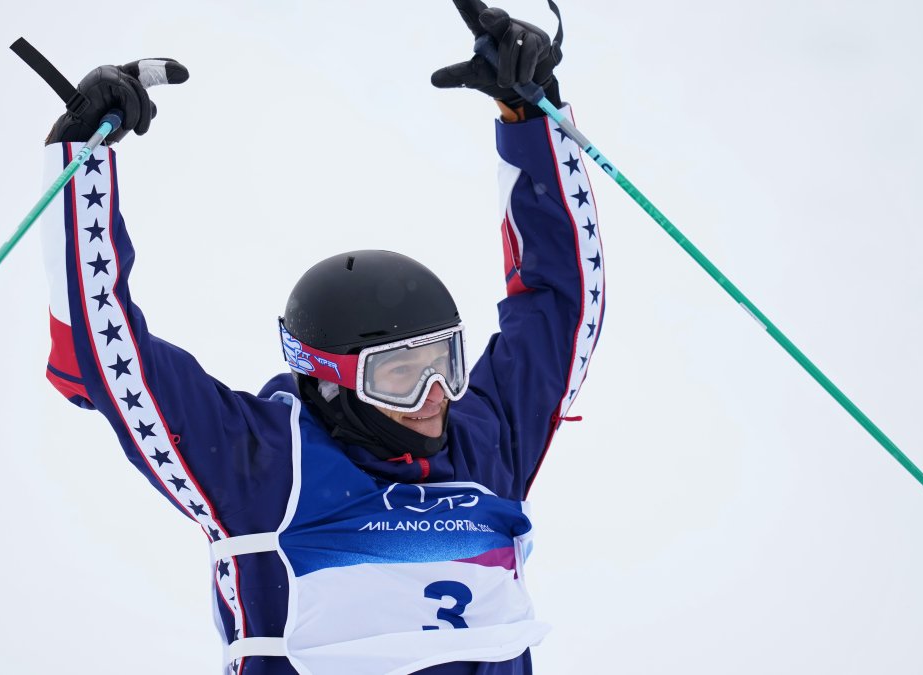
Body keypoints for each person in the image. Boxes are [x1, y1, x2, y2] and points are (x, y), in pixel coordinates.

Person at [39, 1, 603, 672]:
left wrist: (532, 115)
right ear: (331, 383)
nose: (434, 395)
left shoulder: (484, 444)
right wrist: (81, 156)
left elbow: (559, 303)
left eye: (444, 363)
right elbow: (104, 356)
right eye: (398, 374)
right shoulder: (262, 466)